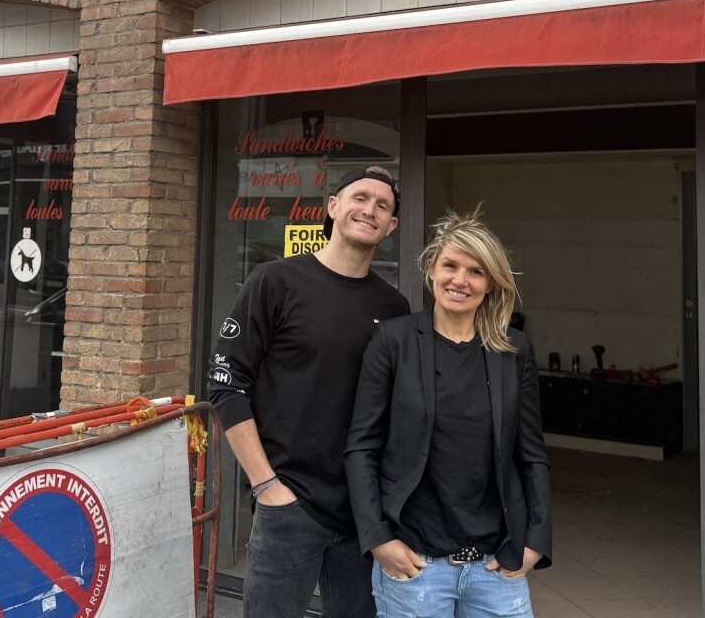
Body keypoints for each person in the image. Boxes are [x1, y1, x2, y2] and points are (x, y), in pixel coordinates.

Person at [208, 166, 410, 618]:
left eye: (383, 206)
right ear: (333, 206)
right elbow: (226, 385)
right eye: (360, 198)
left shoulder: (394, 307)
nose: (370, 210)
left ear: (391, 226)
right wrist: (266, 485)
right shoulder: (274, 281)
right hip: (288, 505)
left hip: (362, 512)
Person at [345, 207, 552, 618]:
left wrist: (537, 539)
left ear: (490, 284)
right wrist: (378, 538)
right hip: (415, 564)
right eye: (450, 266)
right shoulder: (393, 341)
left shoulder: (514, 349)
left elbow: (531, 452)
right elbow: (361, 447)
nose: (460, 280)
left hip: (497, 563)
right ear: (431, 270)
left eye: (476, 271)